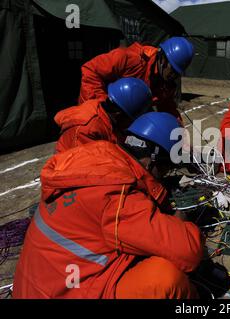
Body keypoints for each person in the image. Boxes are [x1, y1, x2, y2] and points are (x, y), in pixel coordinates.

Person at [13, 112, 204, 299]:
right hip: (66, 290)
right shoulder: (117, 195)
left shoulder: (99, 157)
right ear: (152, 159)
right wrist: (182, 224)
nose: (164, 174)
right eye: (165, 167)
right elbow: (189, 252)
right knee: (164, 279)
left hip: (43, 284)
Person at [78, 37, 195, 122]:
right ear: (163, 58)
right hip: (98, 112)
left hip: (126, 120)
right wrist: (103, 107)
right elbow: (90, 70)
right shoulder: (130, 59)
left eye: (177, 73)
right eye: (172, 69)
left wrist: (179, 133)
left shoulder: (166, 85)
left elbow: (168, 109)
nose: (173, 76)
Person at [54, 77, 151, 153]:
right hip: (70, 167)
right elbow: (86, 168)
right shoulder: (88, 128)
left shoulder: (108, 110)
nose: (130, 125)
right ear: (119, 114)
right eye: (130, 120)